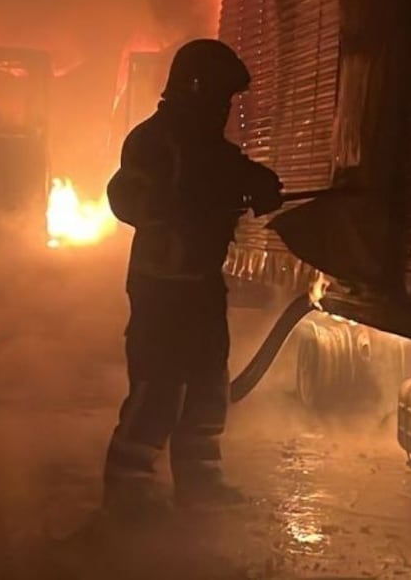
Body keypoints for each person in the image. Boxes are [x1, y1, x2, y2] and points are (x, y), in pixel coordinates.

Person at [102, 39, 283, 515]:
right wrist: (183, 205)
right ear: (196, 88)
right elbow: (126, 198)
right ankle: (129, 487)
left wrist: (259, 185)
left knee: (207, 383)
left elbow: (237, 175)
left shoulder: (213, 151)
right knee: (158, 386)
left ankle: (201, 481)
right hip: (161, 285)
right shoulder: (151, 142)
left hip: (201, 284)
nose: (225, 108)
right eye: (221, 96)